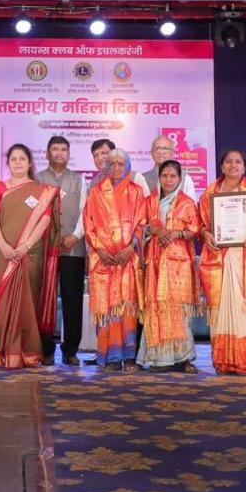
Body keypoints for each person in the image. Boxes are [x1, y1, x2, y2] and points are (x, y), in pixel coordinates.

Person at [198, 148, 246, 375]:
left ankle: (245, 361)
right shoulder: (210, 193)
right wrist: (205, 234)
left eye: (238, 162)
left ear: (244, 167)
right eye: (228, 162)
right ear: (222, 166)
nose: (233, 165)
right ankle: (222, 361)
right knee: (222, 312)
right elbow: (200, 223)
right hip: (219, 260)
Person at [0, 143, 56, 369]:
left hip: (29, 255)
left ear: (30, 163)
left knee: (27, 304)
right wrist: (4, 246)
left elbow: (44, 220)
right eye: (13, 159)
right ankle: (1, 352)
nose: (17, 162)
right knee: (3, 302)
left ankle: (26, 352)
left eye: (22, 158)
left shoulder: (41, 191)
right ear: (8, 163)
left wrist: (25, 246)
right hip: (1, 253)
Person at [84, 148, 147, 371]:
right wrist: (101, 250)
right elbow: (88, 225)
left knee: (127, 308)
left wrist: (130, 248)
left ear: (127, 166)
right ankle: (110, 358)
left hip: (128, 260)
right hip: (103, 260)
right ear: (107, 167)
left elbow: (142, 223)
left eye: (121, 163)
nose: (117, 168)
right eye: (112, 164)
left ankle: (129, 357)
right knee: (107, 308)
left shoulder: (136, 191)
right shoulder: (96, 192)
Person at [139, 160, 199, 372]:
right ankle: (160, 359)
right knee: (156, 307)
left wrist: (176, 233)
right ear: (159, 178)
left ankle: (183, 357)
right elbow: (141, 226)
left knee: (179, 310)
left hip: (178, 264)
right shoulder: (150, 201)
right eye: (165, 175)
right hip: (155, 262)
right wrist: (155, 230)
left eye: (173, 176)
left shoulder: (187, 202)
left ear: (180, 179)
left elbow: (195, 230)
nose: (168, 180)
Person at [34, 135, 87, 366]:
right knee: (43, 300)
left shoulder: (79, 180)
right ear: (47, 153)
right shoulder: (36, 179)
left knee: (72, 300)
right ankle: (45, 348)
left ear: (69, 153)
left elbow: (86, 211)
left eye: (64, 149)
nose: (59, 153)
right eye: (54, 149)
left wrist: (75, 236)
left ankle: (70, 350)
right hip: (43, 249)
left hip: (72, 248)